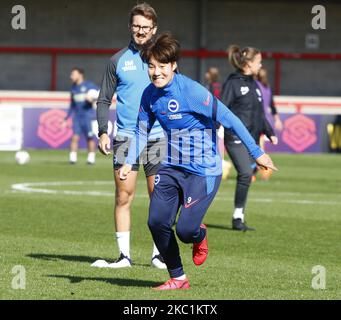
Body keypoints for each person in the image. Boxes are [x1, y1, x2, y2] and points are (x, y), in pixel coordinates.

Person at [119, 33, 277, 290]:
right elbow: (140, 132)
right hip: (170, 166)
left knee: (185, 231)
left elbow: (230, 118)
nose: (156, 72)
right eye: (151, 66)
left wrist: (257, 153)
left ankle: (198, 233)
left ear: (173, 66)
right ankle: (178, 278)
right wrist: (128, 162)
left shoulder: (191, 91)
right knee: (156, 222)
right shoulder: (149, 95)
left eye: (161, 66)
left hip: (203, 170)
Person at [91, 3, 166, 269]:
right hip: (125, 138)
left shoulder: (164, 60)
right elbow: (102, 100)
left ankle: (159, 255)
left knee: (160, 197)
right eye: (136, 26)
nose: (141, 31)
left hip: (158, 137)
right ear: (130, 27)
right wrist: (102, 131)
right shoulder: (118, 60)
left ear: (154, 29)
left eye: (146, 27)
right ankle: (124, 257)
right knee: (124, 196)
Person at [221, 45, 278, 231]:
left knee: (247, 174)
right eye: (258, 62)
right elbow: (222, 109)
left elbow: (259, 114)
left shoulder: (255, 85)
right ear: (248, 63)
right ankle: (237, 218)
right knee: (245, 173)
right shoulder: (232, 83)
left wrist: (269, 132)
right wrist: (213, 131)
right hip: (234, 137)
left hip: (251, 140)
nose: (261, 65)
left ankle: (239, 217)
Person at [63, 67, 98, 165]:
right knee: (74, 137)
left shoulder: (89, 85)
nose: (71, 76)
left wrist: (92, 98)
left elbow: (100, 92)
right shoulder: (73, 88)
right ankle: (72, 159)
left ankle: (91, 158)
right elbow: (72, 105)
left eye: (73, 74)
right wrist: (66, 118)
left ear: (80, 75)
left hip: (88, 116)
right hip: (77, 117)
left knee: (90, 137)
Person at [205, 67, 232, 180]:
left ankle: (220, 166)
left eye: (208, 73)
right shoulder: (220, 86)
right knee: (218, 143)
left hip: (213, 118)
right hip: (220, 117)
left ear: (210, 75)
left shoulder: (210, 87)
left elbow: (209, 103)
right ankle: (221, 165)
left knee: (212, 143)